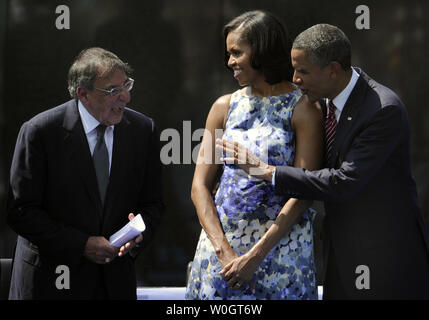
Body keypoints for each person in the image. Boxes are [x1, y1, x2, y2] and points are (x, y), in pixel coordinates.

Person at [218, 24, 429, 299]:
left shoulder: (382, 109)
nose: (295, 79)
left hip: (385, 262)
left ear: (333, 69)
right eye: (294, 69)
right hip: (341, 256)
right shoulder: (323, 102)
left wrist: (265, 171)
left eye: (303, 71)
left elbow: (343, 182)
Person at [186, 11, 324, 300]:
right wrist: (224, 252)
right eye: (228, 54)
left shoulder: (303, 109)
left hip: (280, 252)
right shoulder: (223, 107)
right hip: (222, 256)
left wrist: (255, 256)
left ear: (262, 50)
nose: (230, 62)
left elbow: (304, 191)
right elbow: (199, 187)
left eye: (237, 53)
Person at [7, 47, 164, 299]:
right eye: (113, 90)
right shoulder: (41, 132)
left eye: (126, 85)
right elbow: (21, 211)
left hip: (113, 283)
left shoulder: (142, 130)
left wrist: (137, 236)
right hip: (51, 282)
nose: (125, 96)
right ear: (83, 94)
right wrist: (82, 245)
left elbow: (153, 204)